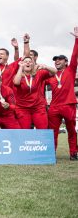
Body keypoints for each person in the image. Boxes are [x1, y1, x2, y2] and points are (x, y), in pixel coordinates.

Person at [47, 27, 78, 160]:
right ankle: (51, 152)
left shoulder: (70, 70)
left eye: (60, 59)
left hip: (68, 105)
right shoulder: (50, 76)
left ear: (65, 62)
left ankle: (73, 153)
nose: (57, 61)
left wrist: (77, 39)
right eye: (55, 60)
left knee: (71, 130)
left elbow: (74, 56)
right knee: (52, 132)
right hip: (54, 107)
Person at [13, 56, 56, 129]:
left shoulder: (39, 74)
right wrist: (20, 67)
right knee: (24, 131)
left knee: (43, 130)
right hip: (22, 108)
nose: (28, 62)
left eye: (30, 61)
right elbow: (16, 83)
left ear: (33, 64)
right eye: (25, 61)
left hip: (38, 107)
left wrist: (46, 67)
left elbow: (55, 72)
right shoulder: (18, 75)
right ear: (22, 64)